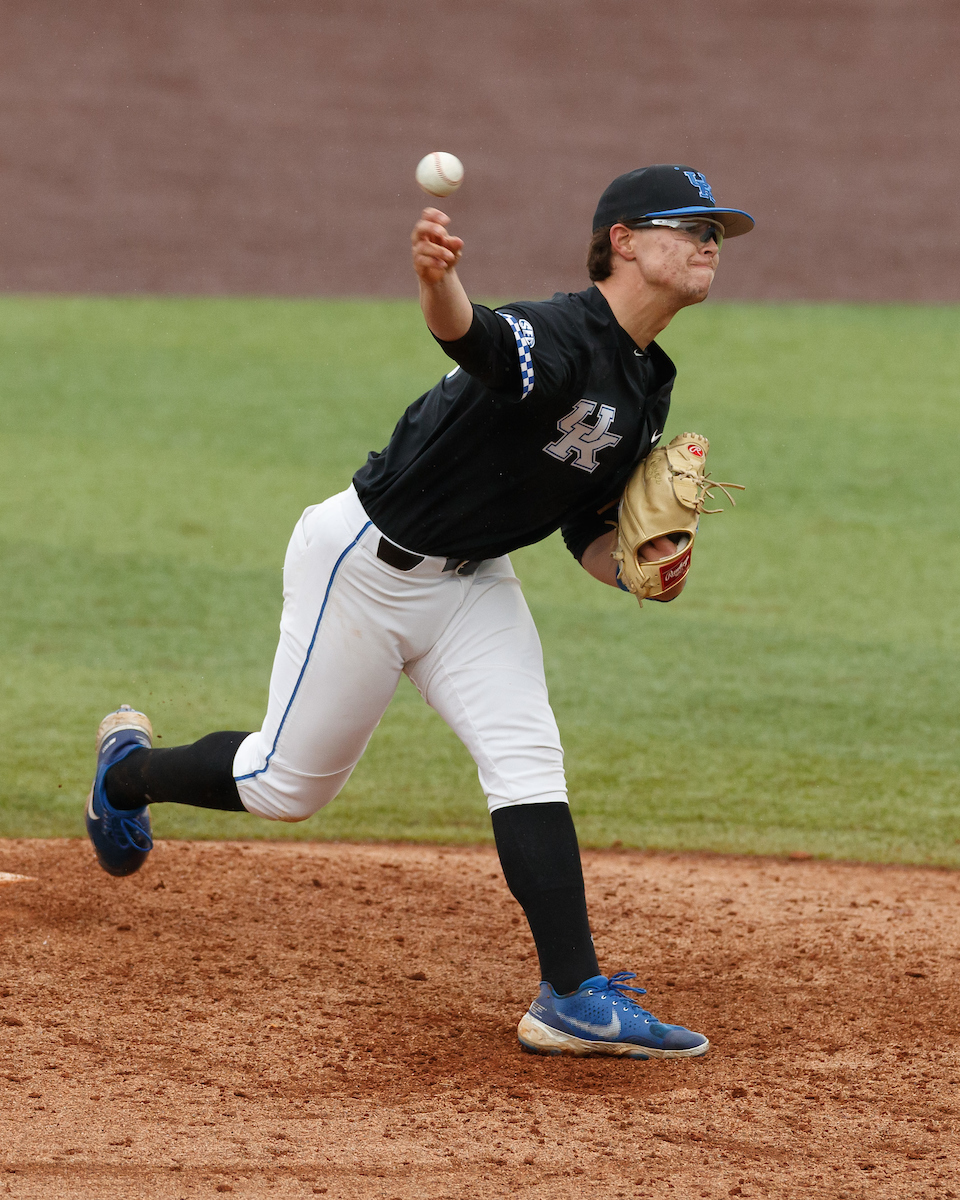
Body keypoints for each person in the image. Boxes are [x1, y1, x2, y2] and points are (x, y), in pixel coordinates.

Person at [85, 164, 754, 1060]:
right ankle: (126, 773)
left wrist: (638, 572)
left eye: (718, 231)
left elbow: (584, 530)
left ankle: (572, 996)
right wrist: (439, 281)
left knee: (526, 753)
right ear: (624, 239)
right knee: (284, 788)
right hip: (363, 566)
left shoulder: (646, 382)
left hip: (474, 586)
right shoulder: (560, 333)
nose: (710, 242)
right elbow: (475, 338)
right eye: (690, 225)